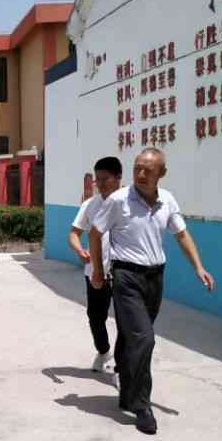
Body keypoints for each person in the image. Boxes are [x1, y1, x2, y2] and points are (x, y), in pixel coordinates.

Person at [89, 148, 215, 435]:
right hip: (126, 276)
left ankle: (126, 391)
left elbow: (181, 234)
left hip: (155, 277)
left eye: (148, 169)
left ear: (162, 173)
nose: (141, 174)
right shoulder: (119, 200)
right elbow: (95, 234)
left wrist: (198, 267)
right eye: (137, 168)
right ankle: (142, 406)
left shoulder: (167, 200)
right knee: (144, 339)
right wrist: (97, 269)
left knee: (130, 337)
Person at [69, 156, 123, 377]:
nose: (99, 184)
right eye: (97, 180)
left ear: (118, 178)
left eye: (104, 179)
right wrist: (79, 250)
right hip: (95, 271)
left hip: (123, 272)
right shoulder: (90, 204)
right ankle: (103, 351)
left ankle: (121, 369)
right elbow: (74, 233)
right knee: (95, 317)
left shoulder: (129, 202)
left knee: (125, 322)